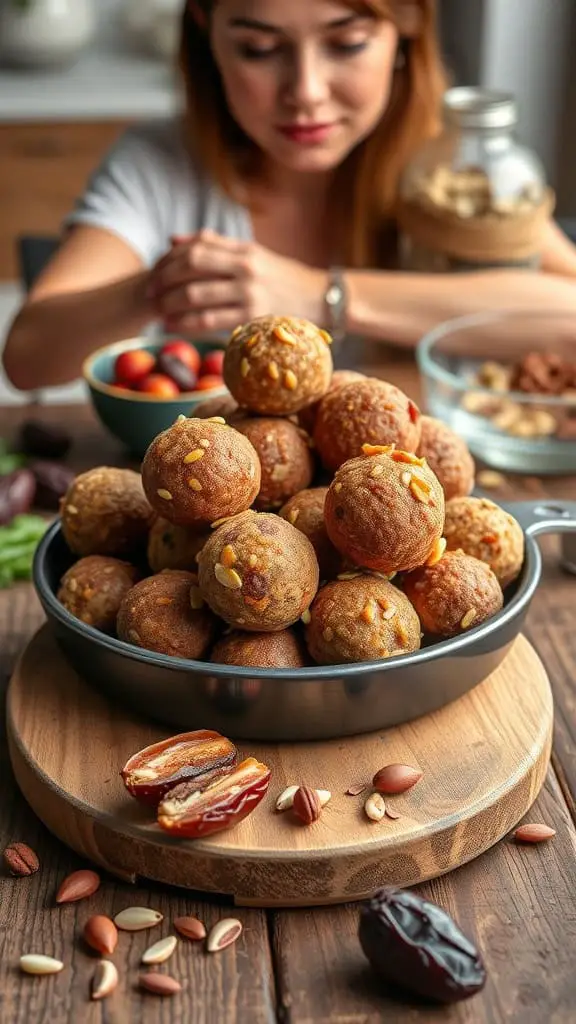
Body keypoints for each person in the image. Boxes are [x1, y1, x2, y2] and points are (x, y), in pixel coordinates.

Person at [4, 0, 576, 391]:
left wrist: (321, 295)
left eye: (346, 43)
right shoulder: (160, 164)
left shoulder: (454, 172)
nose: (305, 92)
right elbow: (28, 356)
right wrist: (166, 283)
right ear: (206, 30)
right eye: (258, 49)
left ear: (405, 25)